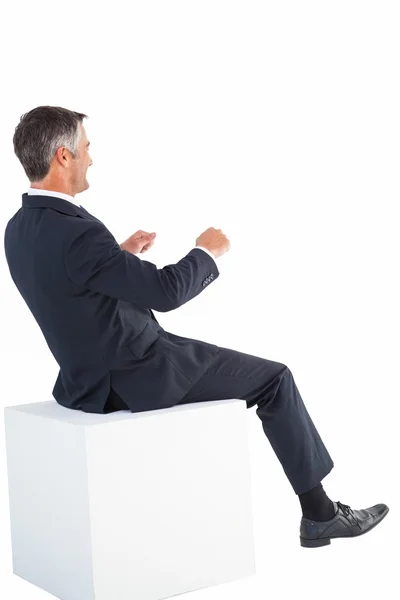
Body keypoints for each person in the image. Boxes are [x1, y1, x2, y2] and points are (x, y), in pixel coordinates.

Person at [4, 105, 389, 548]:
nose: (92, 157)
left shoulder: (21, 228)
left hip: (85, 378)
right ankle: (320, 515)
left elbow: (69, 286)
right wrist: (206, 253)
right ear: (63, 157)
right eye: (87, 149)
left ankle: (320, 513)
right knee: (275, 379)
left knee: (244, 366)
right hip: (137, 371)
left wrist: (120, 255)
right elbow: (166, 293)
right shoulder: (77, 233)